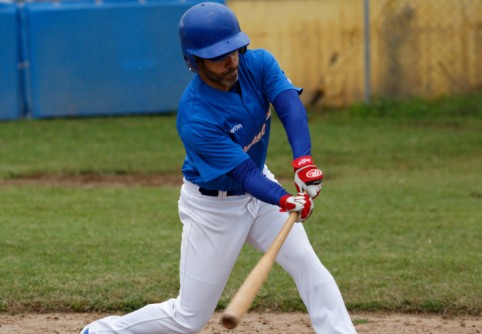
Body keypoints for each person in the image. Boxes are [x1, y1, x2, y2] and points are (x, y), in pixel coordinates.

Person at [80, 2, 357, 333]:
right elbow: (243, 174)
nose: (231, 60)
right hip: (214, 208)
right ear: (195, 61)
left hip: (261, 189)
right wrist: (285, 199)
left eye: (234, 49)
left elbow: (289, 105)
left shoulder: (259, 64)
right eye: (218, 55)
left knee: (309, 268)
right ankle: (100, 331)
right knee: (188, 318)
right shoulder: (196, 117)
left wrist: (303, 162)